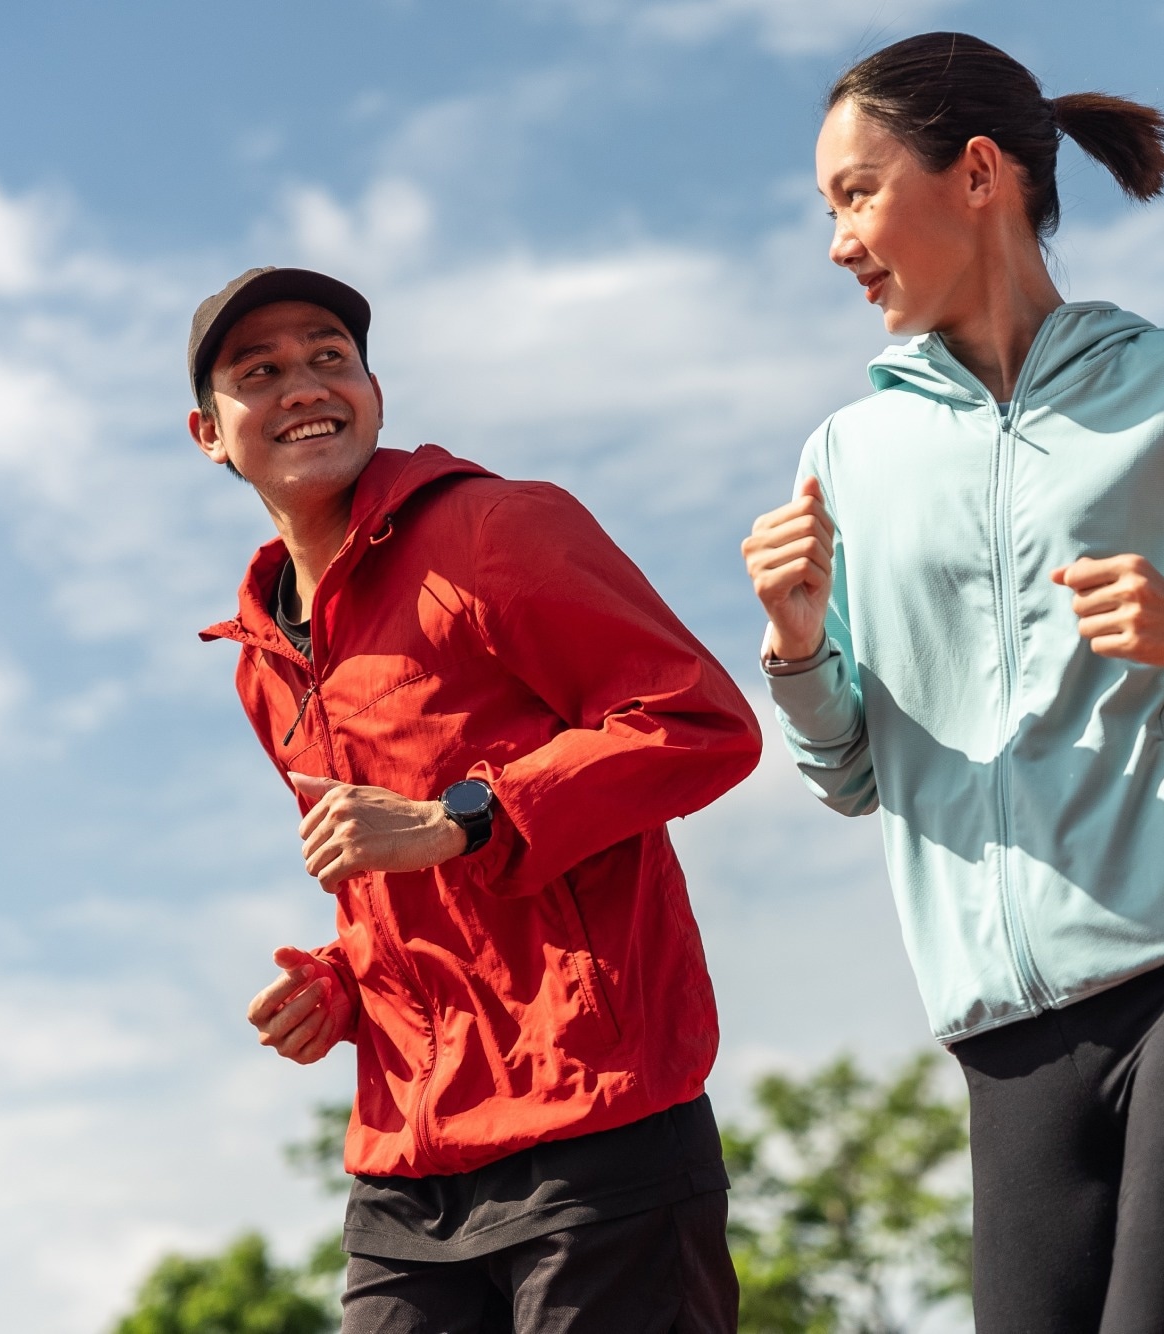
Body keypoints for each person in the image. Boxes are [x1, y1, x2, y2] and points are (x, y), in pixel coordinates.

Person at [741, 34, 1164, 1334]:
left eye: (857, 193)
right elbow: (853, 778)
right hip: (1007, 1041)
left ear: (978, 173)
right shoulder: (849, 454)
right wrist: (794, 646)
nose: (838, 243)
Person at [188, 266, 759, 1333]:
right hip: (406, 1164)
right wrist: (344, 983)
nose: (303, 385)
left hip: (597, 1127)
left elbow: (697, 724)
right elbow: (394, 885)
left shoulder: (494, 528)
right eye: (257, 372)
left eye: (327, 357)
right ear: (209, 433)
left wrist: (464, 816)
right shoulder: (261, 657)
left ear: (372, 388)